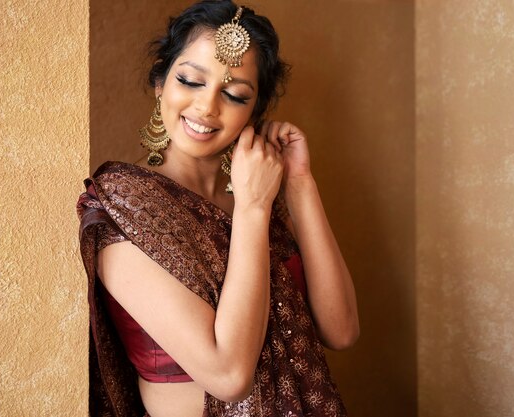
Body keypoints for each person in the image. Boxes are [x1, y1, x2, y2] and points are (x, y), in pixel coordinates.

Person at [77, 1, 359, 416]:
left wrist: (299, 184)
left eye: (233, 94)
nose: (207, 107)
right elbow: (229, 376)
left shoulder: (254, 191)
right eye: (190, 80)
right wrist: (252, 208)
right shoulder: (124, 205)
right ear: (160, 82)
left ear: (255, 110)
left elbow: (341, 330)